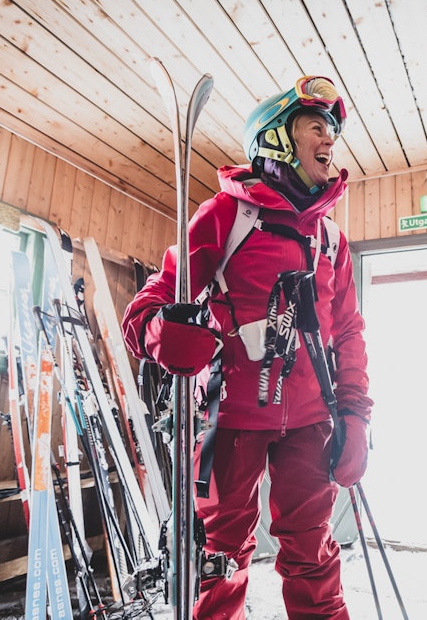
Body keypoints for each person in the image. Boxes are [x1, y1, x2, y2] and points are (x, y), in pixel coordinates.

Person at [122, 75, 372, 619]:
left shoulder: (331, 239)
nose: (329, 139)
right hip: (231, 418)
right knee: (219, 558)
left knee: (313, 553)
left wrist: (356, 414)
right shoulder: (227, 215)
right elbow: (146, 308)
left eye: (332, 130)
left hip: (311, 419)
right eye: (316, 126)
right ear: (277, 138)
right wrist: (164, 333)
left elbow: (349, 333)